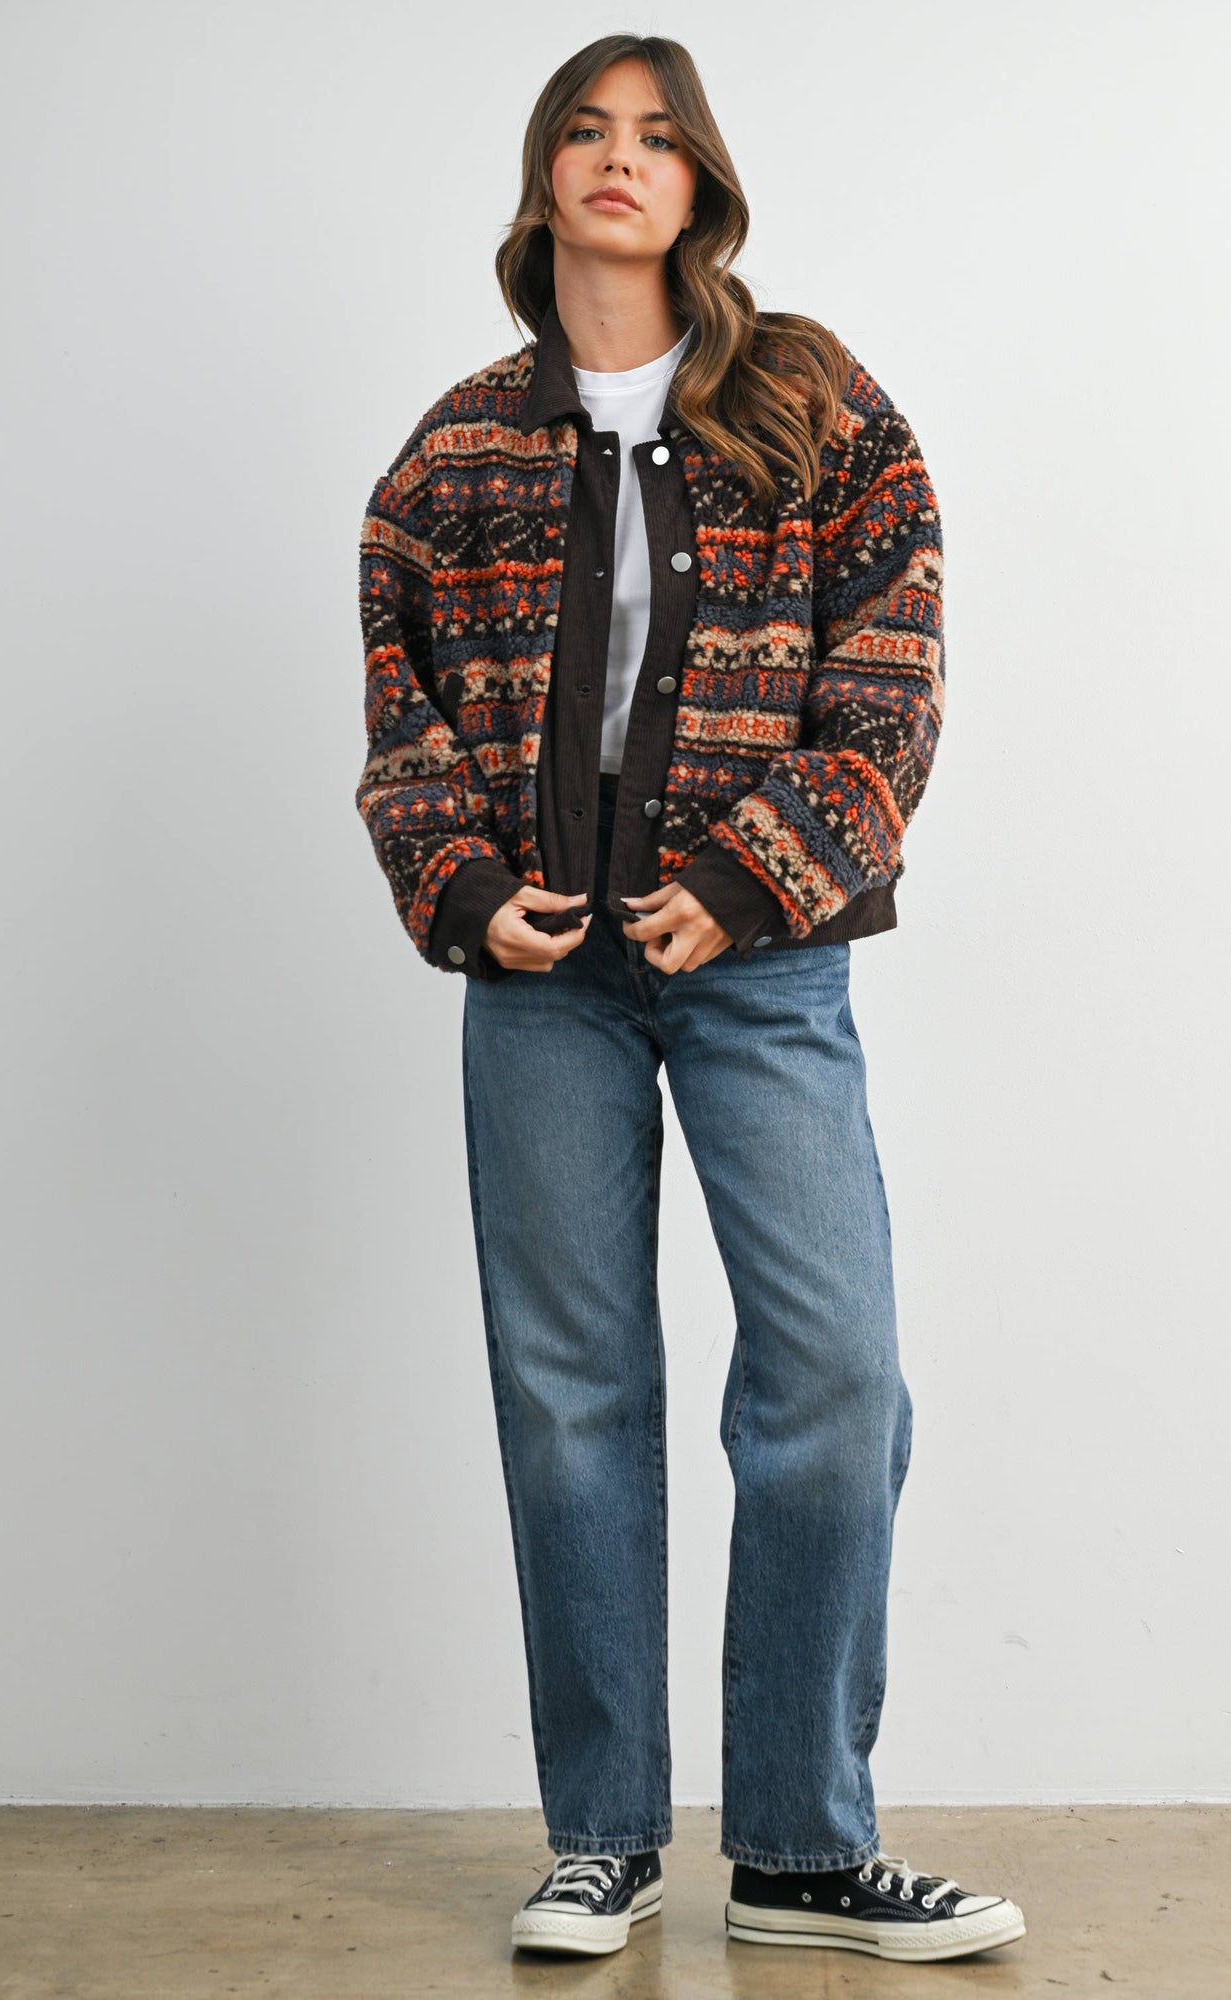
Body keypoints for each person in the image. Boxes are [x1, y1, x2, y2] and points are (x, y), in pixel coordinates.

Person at [355, 31, 1026, 1967]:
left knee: (833, 1374)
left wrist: (746, 880)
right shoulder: (459, 450)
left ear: (701, 181)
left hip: (764, 964)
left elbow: (892, 671)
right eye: (586, 130)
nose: (620, 159)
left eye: (657, 136)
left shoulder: (809, 402)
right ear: (541, 177)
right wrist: (462, 889)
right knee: (570, 1395)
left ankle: (804, 1848)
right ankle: (600, 1840)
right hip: (543, 977)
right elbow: (399, 708)